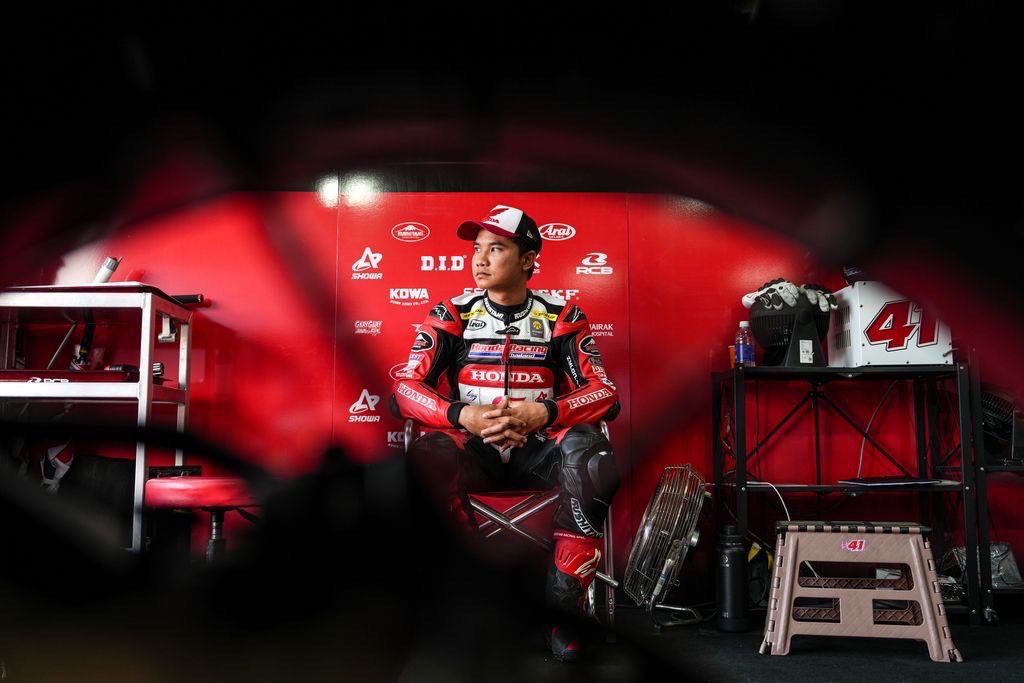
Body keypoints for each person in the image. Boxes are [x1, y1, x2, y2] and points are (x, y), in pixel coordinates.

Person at [390, 204, 621, 662]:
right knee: (426, 458)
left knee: (592, 455)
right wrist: (463, 415)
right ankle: (468, 603)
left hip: (538, 453)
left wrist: (544, 412)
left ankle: (562, 617)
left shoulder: (561, 315)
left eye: (495, 248)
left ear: (528, 259)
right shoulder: (451, 313)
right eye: (477, 249)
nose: (479, 259)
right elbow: (404, 389)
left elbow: (606, 394)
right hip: (473, 452)